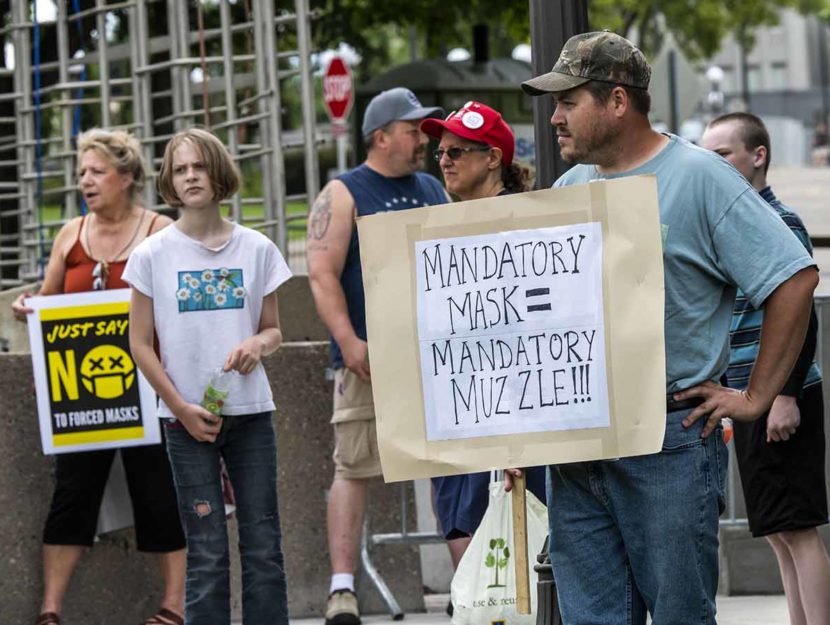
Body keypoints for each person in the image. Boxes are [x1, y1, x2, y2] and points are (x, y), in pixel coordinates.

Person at [506, 31, 819, 624]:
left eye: (569, 101)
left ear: (617, 101)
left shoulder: (701, 177)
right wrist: (515, 427)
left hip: (669, 438)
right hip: (578, 443)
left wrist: (754, 396)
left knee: (680, 616)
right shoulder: (570, 188)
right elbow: (541, 319)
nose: (554, 118)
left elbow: (793, 279)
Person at [11, 129, 185, 625]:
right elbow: (48, 298)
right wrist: (31, 309)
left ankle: (174, 605)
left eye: (96, 171)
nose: (85, 180)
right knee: (73, 494)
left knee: (157, 491)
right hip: (80, 394)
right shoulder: (70, 233)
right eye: (81, 172)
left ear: (126, 177)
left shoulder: (159, 231)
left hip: (149, 389)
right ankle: (50, 610)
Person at [124, 128, 292, 625]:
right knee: (207, 552)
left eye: (199, 166)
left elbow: (274, 330)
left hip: (251, 415)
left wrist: (255, 345)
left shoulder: (257, 248)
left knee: (263, 545)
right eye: (180, 169)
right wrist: (179, 408)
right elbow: (138, 344)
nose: (191, 175)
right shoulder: (152, 255)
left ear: (218, 173)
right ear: (169, 181)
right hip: (186, 422)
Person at [306, 87, 446, 625]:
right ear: (381, 135)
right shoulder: (344, 192)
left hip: (432, 356)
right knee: (354, 464)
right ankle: (342, 587)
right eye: (413, 130)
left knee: (451, 464)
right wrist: (348, 341)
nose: (423, 139)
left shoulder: (432, 187)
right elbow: (321, 271)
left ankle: (469, 578)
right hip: (367, 358)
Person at [701, 112, 830, 625]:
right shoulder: (734, 223)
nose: (713, 165)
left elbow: (801, 313)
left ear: (758, 155)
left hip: (778, 394)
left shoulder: (780, 219)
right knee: (777, 530)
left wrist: (786, 395)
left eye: (723, 154)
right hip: (748, 394)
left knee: (798, 529)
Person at [419, 101, 547, 590]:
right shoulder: (438, 231)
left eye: (458, 151)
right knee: (471, 567)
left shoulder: (529, 226)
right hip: (458, 419)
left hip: (519, 422)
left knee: (521, 579)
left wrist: (515, 435)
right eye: (441, 152)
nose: (445, 160)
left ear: (493, 158)